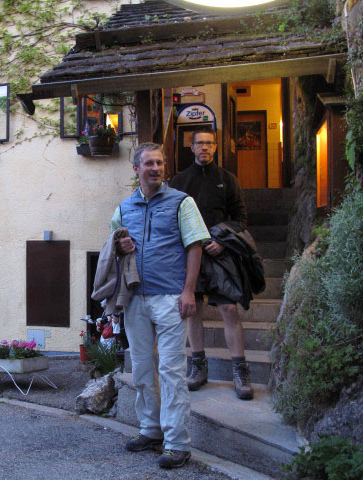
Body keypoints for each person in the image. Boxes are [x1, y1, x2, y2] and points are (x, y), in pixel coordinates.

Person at [111, 143, 209, 469]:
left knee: (171, 371)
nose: (155, 168)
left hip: (170, 297)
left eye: (160, 163)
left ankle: (177, 444)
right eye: (149, 163)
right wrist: (120, 244)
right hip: (136, 298)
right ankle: (150, 430)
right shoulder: (124, 208)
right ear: (136, 169)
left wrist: (189, 292)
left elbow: (195, 245)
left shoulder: (182, 202)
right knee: (140, 368)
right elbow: (113, 246)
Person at [171, 126, 253, 400]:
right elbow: (173, 219)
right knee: (193, 310)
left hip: (221, 253)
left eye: (209, 144)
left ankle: (240, 370)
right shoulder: (179, 181)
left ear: (215, 147)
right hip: (190, 254)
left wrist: (223, 241)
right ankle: (198, 365)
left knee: (229, 309)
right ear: (192, 148)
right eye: (199, 144)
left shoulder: (228, 180)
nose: (204, 148)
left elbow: (240, 219)